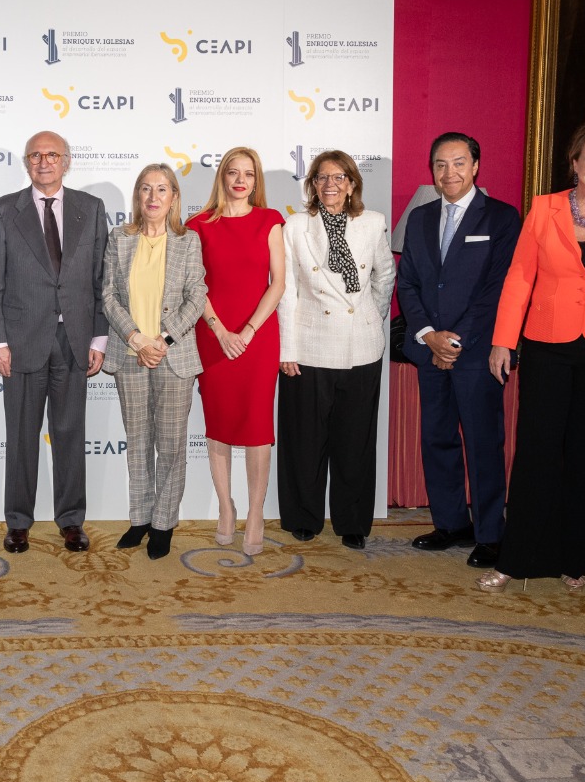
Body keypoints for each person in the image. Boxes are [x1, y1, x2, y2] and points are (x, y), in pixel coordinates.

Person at [480, 119, 585, 592]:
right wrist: (503, 340)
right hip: (547, 345)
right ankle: (517, 559)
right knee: (537, 452)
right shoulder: (545, 207)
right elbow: (520, 276)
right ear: (574, 163)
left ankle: (577, 558)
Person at [395, 133, 521, 568]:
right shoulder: (420, 217)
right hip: (430, 350)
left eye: (459, 163)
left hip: (477, 353)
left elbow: (497, 289)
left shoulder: (502, 217)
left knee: (483, 443)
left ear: (476, 166)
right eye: (440, 164)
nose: (449, 173)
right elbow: (407, 282)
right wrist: (428, 335)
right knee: (437, 439)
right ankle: (450, 524)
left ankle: (490, 534)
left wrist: (454, 340)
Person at [0, 130, 109, 554]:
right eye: (35, 155)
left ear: (66, 161)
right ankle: (18, 522)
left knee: (70, 432)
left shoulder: (91, 209)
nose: (44, 162)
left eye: (52, 155)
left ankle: (71, 520)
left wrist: (99, 337)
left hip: (74, 340)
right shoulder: (3, 211)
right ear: (26, 162)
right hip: (20, 342)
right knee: (21, 436)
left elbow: (100, 279)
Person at [278, 150, 395, 550]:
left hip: (361, 346)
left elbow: (385, 275)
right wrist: (287, 348)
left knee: (355, 441)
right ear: (312, 185)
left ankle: (352, 521)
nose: (331, 184)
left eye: (339, 177)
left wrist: (368, 317)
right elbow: (287, 290)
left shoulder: (373, 222)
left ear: (352, 184)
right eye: (322, 178)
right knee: (305, 441)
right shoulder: (296, 226)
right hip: (308, 347)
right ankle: (303, 517)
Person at [102, 163, 207, 559]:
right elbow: (107, 295)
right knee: (138, 443)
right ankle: (141, 519)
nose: (153, 197)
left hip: (172, 356)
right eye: (146, 189)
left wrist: (162, 339)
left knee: (172, 445)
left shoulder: (188, 241)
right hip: (130, 355)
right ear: (138, 195)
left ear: (174, 197)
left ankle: (163, 523)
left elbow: (197, 296)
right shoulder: (119, 238)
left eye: (162, 189)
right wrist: (135, 337)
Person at [186, 147, 285, 556]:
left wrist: (247, 330)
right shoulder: (197, 225)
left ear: (256, 180)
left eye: (249, 173)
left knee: (257, 427)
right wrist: (220, 330)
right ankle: (226, 507)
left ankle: (256, 512)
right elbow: (194, 285)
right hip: (213, 336)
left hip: (258, 338)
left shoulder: (270, 220)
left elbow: (278, 283)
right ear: (222, 177)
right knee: (219, 424)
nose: (241, 180)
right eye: (233, 172)